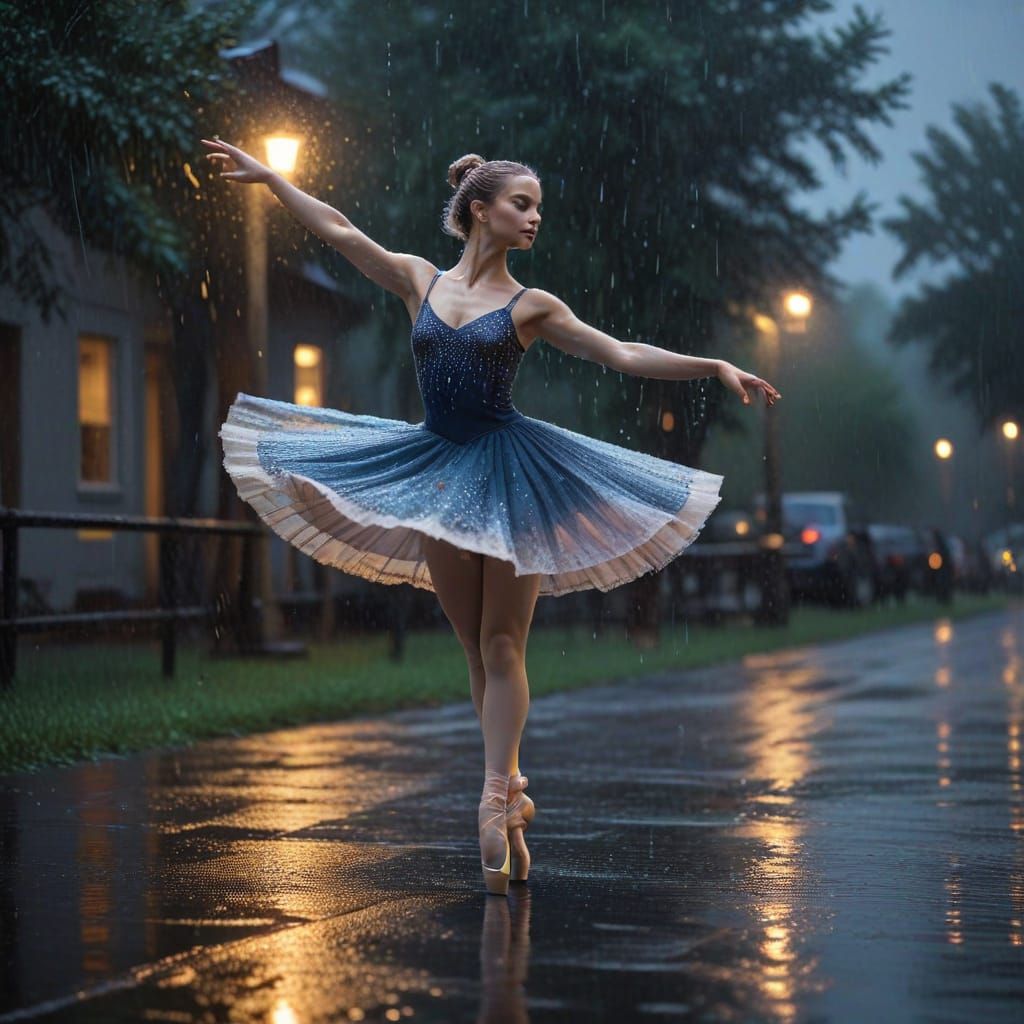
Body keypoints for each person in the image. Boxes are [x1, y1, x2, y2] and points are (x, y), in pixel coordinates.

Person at [202, 137, 781, 896]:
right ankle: (507, 797)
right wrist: (274, 179)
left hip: (512, 476)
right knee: (475, 651)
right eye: (522, 203)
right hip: (437, 475)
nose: (535, 217)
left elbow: (622, 355)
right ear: (481, 209)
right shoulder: (419, 280)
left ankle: (490, 793)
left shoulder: (530, 305)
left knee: (505, 641)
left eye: (537, 207)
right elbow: (340, 231)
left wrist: (712, 366)